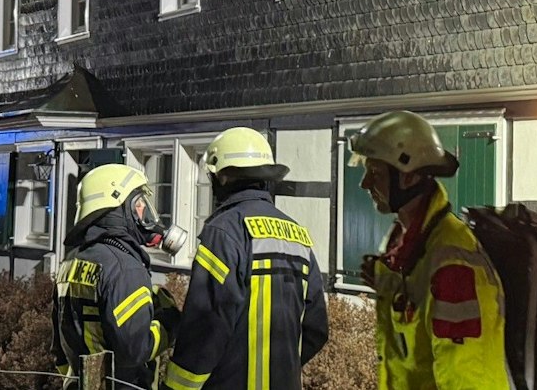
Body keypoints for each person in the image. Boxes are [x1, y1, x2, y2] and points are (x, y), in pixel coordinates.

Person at [349, 111, 508, 389]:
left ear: (409, 178)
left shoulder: (453, 264)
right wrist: (385, 280)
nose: (365, 184)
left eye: (375, 173)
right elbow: (419, 304)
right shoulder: (410, 240)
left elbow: (466, 378)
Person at [162, 127, 329, 390]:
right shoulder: (298, 236)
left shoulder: (224, 232)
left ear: (224, 177)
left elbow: (205, 326)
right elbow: (317, 329)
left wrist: (175, 387)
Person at [54, 164, 185, 387]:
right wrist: (168, 321)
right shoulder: (125, 268)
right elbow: (135, 350)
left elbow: (59, 351)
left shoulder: (71, 261)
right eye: (138, 202)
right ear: (117, 209)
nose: (144, 208)